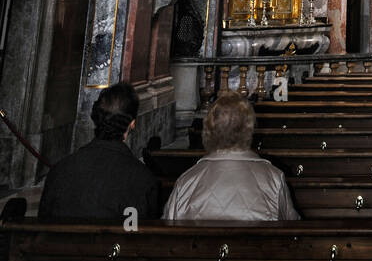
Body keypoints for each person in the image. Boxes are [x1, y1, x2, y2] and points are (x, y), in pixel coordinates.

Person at [162, 91, 299, 222]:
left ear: (209, 130)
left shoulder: (186, 182)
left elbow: (168, 234)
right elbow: (291, 230)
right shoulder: (273, 180)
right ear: (249, 130)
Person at [38, 82, 159, 222]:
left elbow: (43, 223)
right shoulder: (143, 179)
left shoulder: (59, 170)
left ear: (97, 119)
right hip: (116, 245)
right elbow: (137, 233)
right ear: (132, 123)